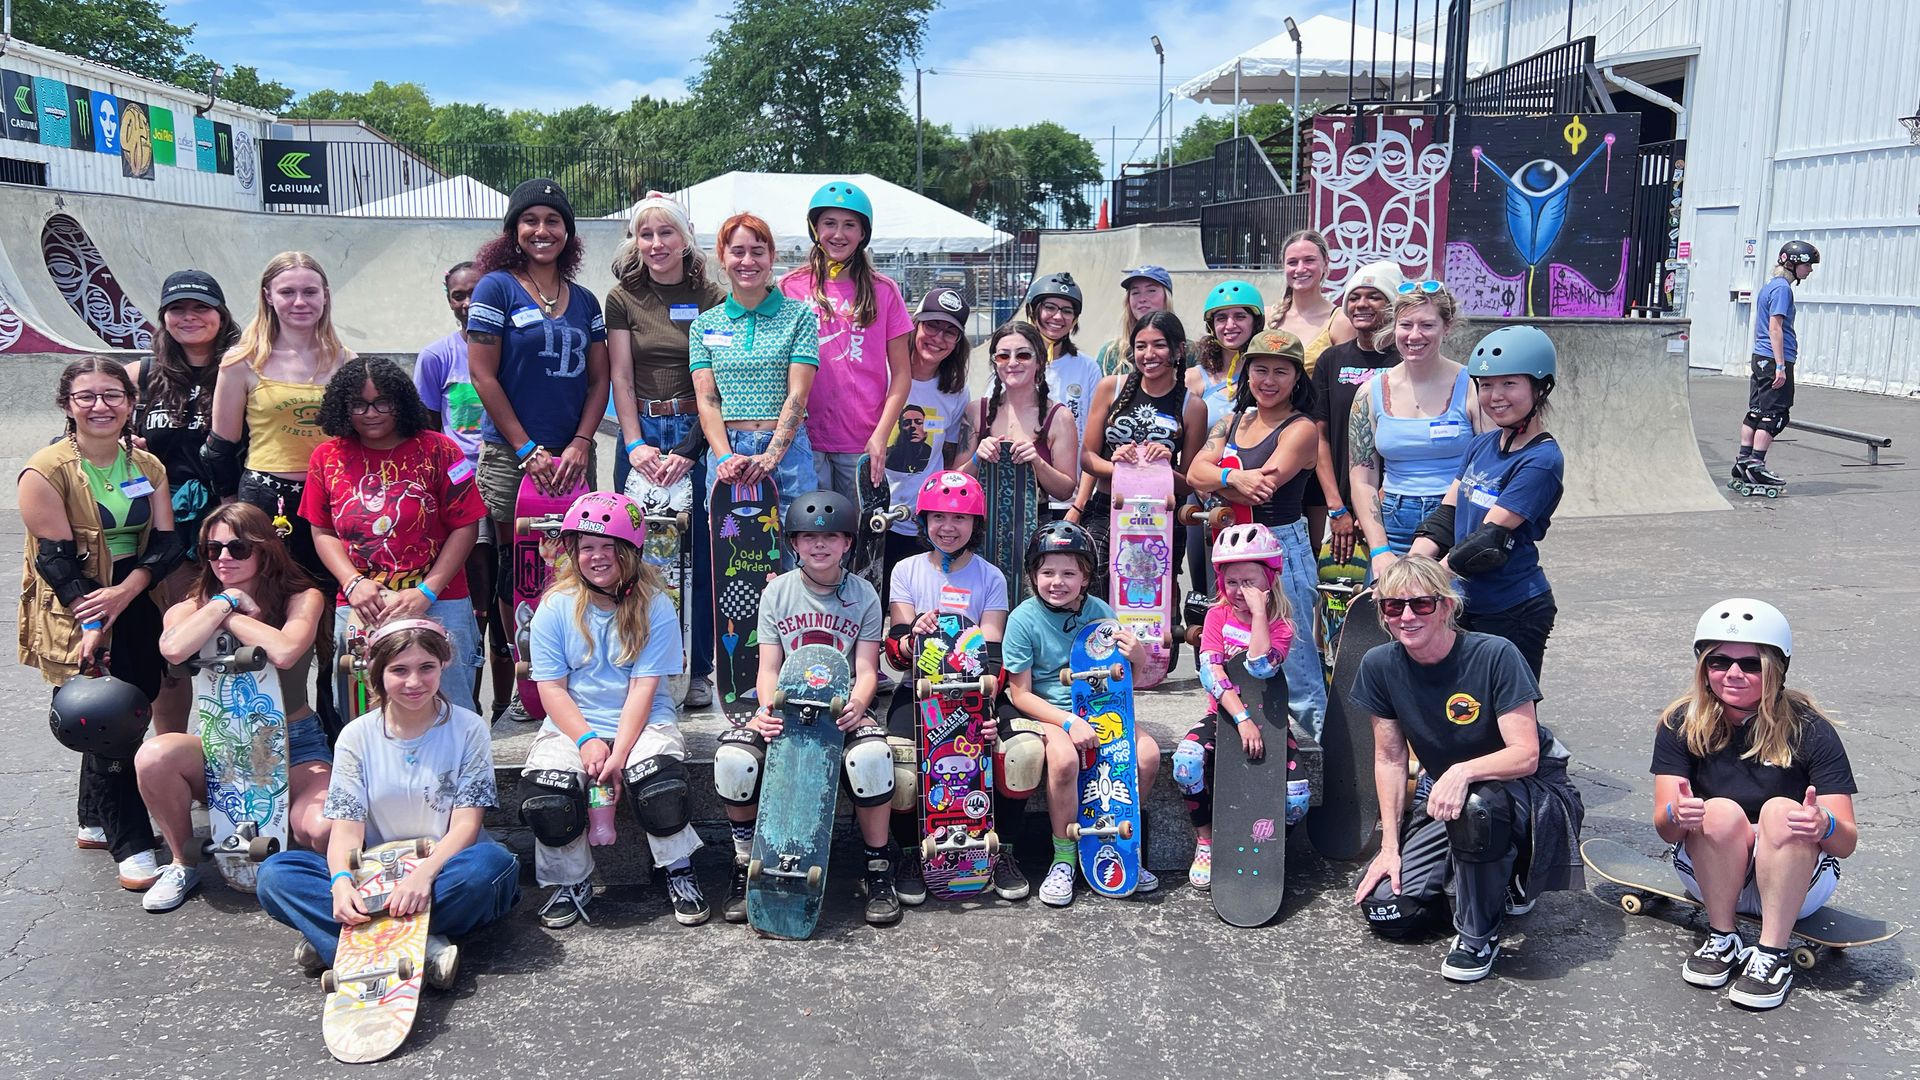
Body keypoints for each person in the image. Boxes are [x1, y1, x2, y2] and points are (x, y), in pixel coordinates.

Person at [1350, 556, 1585, 983]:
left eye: (1421, 604)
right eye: (1392, 606)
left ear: (1446, 606)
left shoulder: (1495, 654)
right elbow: (1389, 759)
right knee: (1390, 910)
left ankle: (1478, 935)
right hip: (1450, 798)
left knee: (1477, 806)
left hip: (1530, 790)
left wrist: (1461, 771)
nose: (1406, 616)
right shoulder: (1379, 665)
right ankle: (1489, 883)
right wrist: (1390, 848)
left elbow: (1525, 754)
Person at [255, 620, 520, 984]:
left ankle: (343, 942)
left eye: (426, 667)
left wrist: (423, 876)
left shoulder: (469, 728)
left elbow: (466, 827)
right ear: (379, 674)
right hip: (377, 877)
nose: (414, 682)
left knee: (492, 866)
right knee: (276, 875)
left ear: (443, 664)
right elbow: (346, 833)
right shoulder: (356, 736)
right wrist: (342, 883)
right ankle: (424, 951)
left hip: (445, 868)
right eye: (399, 670)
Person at [21, 357, 181, 889]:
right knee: (104, 719)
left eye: (113, 395)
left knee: (130, 701)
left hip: (130, 597)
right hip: (76, 604)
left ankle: (94, 819)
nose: (100, 406)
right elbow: (56, 561)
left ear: (131, 404)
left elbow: (166, 544)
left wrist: (126, 592)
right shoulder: (45, 470)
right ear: (67, 404)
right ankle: (131, 843)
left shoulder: (146, 466)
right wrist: (93, 620)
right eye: (86, 396)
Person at [1651, 599, 1856, 1010]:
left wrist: (1823, 826)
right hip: (1710, 877)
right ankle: (1721, 937)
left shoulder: (1810, 730)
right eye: (1719, 661)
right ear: (1703, 667)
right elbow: (1666, 828)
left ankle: (1772, 956)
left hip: (1794, 883)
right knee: (1718, 810)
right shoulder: (1680, 724)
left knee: (1782, 811)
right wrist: (1678, 815)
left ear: (1775, 669)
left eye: (1750, 664)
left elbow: (1845, 842)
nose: (1732, 674)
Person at [518, 491, 706, 929]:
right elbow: (552, 689)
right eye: (586, 548)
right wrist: (586, 741)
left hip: (642, 721)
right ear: (574, 553)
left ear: (630, 551)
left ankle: (678, 868)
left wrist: (618, 756)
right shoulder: (555, 607)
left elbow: (643, 688)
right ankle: (571, 880)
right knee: (548, 796)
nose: (597, 557)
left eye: (608, 547)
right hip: (573, 722)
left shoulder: (656, 604)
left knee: (658, 784)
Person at [138, 503, 332, 912]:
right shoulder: (193, 606)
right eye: (213, 549)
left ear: (264, 551)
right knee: (154, 756)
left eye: (238, 548)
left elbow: (284, 649)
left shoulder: (303, 597)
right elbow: (173, 650)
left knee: (322, 828)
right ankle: (181, 862)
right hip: (222, 746)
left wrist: (230, 618)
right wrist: (225, 603)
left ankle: (305, 873)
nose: (224, 557)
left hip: (294, 744)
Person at [713, 491, 895, 924]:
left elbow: (867, 668)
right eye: (808, 536)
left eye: (831, 536)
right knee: (733, 760)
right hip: (785, 706)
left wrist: (857, 703)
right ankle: (745, 862)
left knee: (872, 757)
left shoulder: (864, 594)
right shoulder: (777, 592)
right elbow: (767, 667)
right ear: (793, 542)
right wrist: (765, 709)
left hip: (840, 707)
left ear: (848, 542)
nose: (819, 544)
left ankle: (878, 867)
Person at [467, 178, 611, 717]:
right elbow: (483, 377)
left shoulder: (586, 300)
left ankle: (571, 669)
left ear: (568, 232)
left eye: (554, 221)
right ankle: (528, 679)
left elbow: (599, 382)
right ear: (513, 230)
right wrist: (528, 449)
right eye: (531, 220)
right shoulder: (496, 288)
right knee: (518, 568)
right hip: (512, 455)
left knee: (578, 561)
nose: (542, 230)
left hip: (572, 457)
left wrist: (578, 443)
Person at [302, 358, 487, 717]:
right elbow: (322, 529)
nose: (371, 413)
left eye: (382, 402)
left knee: (450, 710)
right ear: (342, 406)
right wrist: (352, 582)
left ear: (401, 402)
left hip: (440, 601)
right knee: (364, 714)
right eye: (359, 404)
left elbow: (466, 525)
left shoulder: (441, 450)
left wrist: (427, 591)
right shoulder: (326, 457)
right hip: (362, 605)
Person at [606, 192, 727, 708]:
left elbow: (716, 383)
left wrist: (691, 449)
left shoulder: (711, 296)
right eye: (646, 234)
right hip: (640, 437)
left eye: (665, 233)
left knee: (694, 553)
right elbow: (620, 376)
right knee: (631, 551)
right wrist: (633, 443)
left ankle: (696, 669)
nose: (655, 244)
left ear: (685, 237)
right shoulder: (622, 297)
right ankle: (639, 661)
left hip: (693, 436)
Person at [999, 521, 1160, 907]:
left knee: (1149, 755)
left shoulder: (1100, 612)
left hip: (1102, 708)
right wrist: (1068, 721)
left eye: (1069, 572)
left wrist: (1137, 654)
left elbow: (1128, 679)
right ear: (1034, 575)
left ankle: (1123, 844)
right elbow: (1019, 693)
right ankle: (1064, 858)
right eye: (1048, 572)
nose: (1058, 581)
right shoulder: (1023, 619)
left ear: (1086, 577)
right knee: (1065, 759)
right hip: (1048, 714)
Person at [1185, 329, 1327, 738]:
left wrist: (1218, 481)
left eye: (1280, 372)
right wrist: (1233, 477)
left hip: (1279, 549)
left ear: (1297, 378)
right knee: (1232, 648)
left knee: (1293, 657)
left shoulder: (1300, 429)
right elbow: (1195, 471)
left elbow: (1265, 485)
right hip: (1231, 550)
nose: (1269, 380)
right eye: (1260, 369)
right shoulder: (1232, 420)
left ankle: (1313, 752)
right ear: (1246, 373)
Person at [881, 471, 1014, 902]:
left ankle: (1003, 851)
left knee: (1017, 754)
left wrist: (989, 713)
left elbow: (993, 657)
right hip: (919, 687)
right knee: (900, 766)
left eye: (959, 518)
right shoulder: (905, 570)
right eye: (938, 517)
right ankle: (907, 854)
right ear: (924, 521)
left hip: (977, 693)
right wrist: (911, 634)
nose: (948, 527)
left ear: (976, 524)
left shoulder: (991, 577)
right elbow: (896, 652)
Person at [1408, 325, 1564, 679]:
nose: (1495, 395)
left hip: (1513, 606)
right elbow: (1446, 515)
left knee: (1507, 712)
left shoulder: (1541, 460)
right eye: (1486, 385)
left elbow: (1486, 542)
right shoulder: (1482, 445)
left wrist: (1421, 580)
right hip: (1464, 599)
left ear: (1540, 387)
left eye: (1510, 384)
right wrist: (1412, 560)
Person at [128, 269, 238, 734]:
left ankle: (238, 760)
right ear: (163, 317)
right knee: (171, 651)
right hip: (164, 525)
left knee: (229, 641)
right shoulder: (141, 374)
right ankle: (172, 750)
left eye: (201, 307)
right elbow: (88, 425)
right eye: (177, 308)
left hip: (230, 523)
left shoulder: (245, 365)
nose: (189, 317)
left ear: (221, 313)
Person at [203, 252, 353, 582]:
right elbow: (220, 447)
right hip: (266, 497)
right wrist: (231, 507)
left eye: (310, 292)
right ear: (268, 296)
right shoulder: (241, 360)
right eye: (287, 292)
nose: (300, 302)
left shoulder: (346, 361)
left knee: (334, 591)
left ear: (325, 295)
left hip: (332, 496)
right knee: (271, 593)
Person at [1174, 523, 1308, 888]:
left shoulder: (1281, 625)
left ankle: (1265, 846)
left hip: (1272, 720)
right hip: (1225, 715)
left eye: (1249, 582)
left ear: (1269, 581)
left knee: (1297, 800)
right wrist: (1242, 718)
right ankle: (1206, 840)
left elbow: (1260, 667)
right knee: (1186, 764)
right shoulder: (1217, 616)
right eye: (1232, 582)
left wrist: (1260, 615)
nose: (1238, 591)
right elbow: (1211, 674)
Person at [413, 260, 513, 716]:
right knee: (475, 607)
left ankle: (509, 705)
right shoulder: (437, 357)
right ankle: (467, 706)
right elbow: (429, 430)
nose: (469, 302)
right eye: (458, 295)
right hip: (461, 496)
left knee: (511, 597)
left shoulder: (510, 350)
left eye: (476, 292)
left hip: (512, 482)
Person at [778, 181, 914, 506]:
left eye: (849, 225)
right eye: (829, 223)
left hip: (861, 442)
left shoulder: (884, 290)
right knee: (808, 537)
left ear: (862, 233)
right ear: (815, 228)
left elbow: (902, 374)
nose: (838, 234)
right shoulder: (789, 287)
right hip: (803, 438)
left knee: (858, 541)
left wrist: (881, 435)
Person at [689, 212, 821, 525]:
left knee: (796, 547)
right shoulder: (704, 325)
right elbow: (707, 401)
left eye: (758, 252)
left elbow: (798, 394)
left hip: (787, 452)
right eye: (737, 251)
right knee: (733, 557)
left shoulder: (799, 317)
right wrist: (724, 457)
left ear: (772, 257)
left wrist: (772, 455)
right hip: (730, 450)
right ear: (721, 257)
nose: (748, 261)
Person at [1347, 281, 1483, 580]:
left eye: (1427, 325)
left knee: (1448, 616)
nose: (1414, 335)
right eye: (1405, 324)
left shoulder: (1472, 387)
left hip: (1457, 519)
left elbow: (1487, 468)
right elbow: (1363, 479)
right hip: (1393, 521)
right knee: (1389, 618)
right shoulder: (1370, 393)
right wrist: (1379, 550)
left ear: (1446, 327)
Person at [1073, 310, 1208, 603]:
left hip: (1161, 515)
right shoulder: (1111, 387)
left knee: (1152, 601)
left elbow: (1189, 483)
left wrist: (1160, 469)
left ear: (1178, 350)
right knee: (1095, 594)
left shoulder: (1193, 406)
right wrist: (1116, 466)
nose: (1149, 354)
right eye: (1141, 346)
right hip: (1105, 509)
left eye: (1159, 345)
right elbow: (1086, 457)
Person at [1311, 261, 1404, 564]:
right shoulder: (1331, 359)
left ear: (1393, 305)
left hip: (1393, 504)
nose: (1361, 304)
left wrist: (1373, 508)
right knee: (1337, 603)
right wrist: (1337, 508)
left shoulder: (1408, 360)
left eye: (1374, 296)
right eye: (1354, 297)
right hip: (1340, 512)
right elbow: (1319, 437)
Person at [880, 287, 973, 577]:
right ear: (914, 325)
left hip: (919, 520)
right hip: (874, 512)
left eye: (949, 332)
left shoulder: (955, 391)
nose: (938, 338)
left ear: (958, 342)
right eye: (932, 326)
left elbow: (949, 454)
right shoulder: (883, 371)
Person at [1269, 230, 1352, 548]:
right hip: (1273, 442)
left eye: (1308, 260)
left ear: (1325, 266)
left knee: (1313, 547)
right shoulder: (1273, 321)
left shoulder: (1339, 321)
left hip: (1318, 448)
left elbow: (1346, 390)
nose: (1299, 268)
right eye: (1292, 262)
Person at [1182, 279, 1264, 592]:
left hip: (1252, 493)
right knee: (1207, 587)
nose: (1230, 325)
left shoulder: (1268, 372)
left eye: (1239, 316)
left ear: (1255, 321)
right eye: (1221, 318)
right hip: (1204, 492)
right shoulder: (1195, 378)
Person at [953, 321, 1081, 508]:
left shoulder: (1060, 417)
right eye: (1003, 356)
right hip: (980, 526)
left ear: (1039, 361)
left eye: (1023, 355)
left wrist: (1037, 462)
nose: (1012, 363)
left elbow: (1065, 491)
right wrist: (977, 458)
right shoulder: (976, 411)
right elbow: (955, 479)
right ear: (995, 363)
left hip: (1034, 527)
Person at [1734, 241, 1819, 489]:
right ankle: (1756, 466)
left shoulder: (1770, 286)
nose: (1810, 270)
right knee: (1776, 415)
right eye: (1807, 265)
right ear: (1792, 264)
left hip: (1760, 357)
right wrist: (1781, 366)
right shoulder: (1783, 290)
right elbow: (1775, 327)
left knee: (1756, 411)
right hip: (1773, 359)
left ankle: (1743, 461)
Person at [1025, 273, 1102, 454]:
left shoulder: (1088, 368)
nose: (1058, 317)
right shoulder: (1015, 362)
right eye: (1049, 307)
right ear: (1033, 311)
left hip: (1072, 476)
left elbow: (1095, 433)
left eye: (1067, 311)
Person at [1094, 265, 1185, 376]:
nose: (1142, 299)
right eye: (1135, 293)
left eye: (1151, 291)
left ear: (1167, 298)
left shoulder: (1189, 351)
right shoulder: (1110, 353)